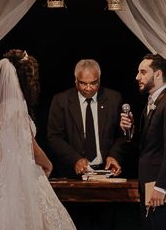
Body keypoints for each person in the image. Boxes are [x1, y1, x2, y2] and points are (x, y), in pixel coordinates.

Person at [0, 50, 76, 230]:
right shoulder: (17, 109)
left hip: (3, 172)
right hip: (24, 172)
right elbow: (32, 148)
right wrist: (48, 164)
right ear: (22, 79)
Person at [47, 59, 127, 230]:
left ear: (100, 80)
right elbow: (54, 137)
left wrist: (114, 155)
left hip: (105, 177)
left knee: (105, 225)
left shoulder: (114, 98)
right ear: (76, 80)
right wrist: (75, 159)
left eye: (94, 83)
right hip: (73, 179)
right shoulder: (60, 100)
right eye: (83, 83)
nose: (89, 88)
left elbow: (122, 135)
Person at [119, 54, 166, 230]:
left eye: (143, 72)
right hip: (148, 185)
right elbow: (148, 146)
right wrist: (131, 131)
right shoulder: (151, 103)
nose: (137, 77)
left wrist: (161, 187)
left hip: (160, 188)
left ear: (157, 75)